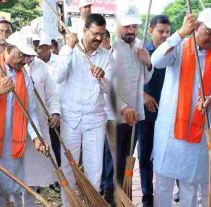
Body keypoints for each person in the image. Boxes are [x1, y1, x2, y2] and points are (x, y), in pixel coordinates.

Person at [151, 8, 211, 207]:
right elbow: (156, 60)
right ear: (196, 27)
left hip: (196, 132)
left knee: (190, 185)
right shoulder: (178, 47)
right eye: (209, 31)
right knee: (163, 183)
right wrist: (180, 34)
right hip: (169, 131)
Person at [55, 13, 114, 207]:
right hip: (70, 118)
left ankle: (91, 204)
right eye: (95, 33)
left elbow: (110, 90)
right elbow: (58, 77)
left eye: (102, 34)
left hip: (95, 120)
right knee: (68, 166)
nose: (99, 38)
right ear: (85, 30)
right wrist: (70, 48)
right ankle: (68, 204)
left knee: (94, 171)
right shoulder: (69, 50)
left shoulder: (107, 57)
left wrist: (102, 77)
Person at [0, 31, 48, 206]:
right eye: (22, 55)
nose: (25, 60)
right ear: (9, 49)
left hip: (13, 145)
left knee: (14, 189)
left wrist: (37, 137)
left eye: (27, 56)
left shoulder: (24, 77)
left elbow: (30, 111)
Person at [113, 3, 153, 186]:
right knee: (113, 162)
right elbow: (106, 85)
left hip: (135, 112)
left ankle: (125, 197)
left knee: (128, 158)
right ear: (118, 24)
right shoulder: (110, 46)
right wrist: (123, 107)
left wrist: (148, 63)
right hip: (115, 114)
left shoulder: (140, 44)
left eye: (134, 26)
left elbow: (144, 79)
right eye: (127, 26)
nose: (131, 30)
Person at [137, 15, 171, 207]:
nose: (165, 35)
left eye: (168, 31)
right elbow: (129, 79)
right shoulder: (141, 51)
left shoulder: (173, 52)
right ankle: (147, 195)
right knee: (145, 155)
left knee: (169, 153)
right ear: (151, 31)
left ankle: (170, 192)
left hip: (169, 113)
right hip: (147, 113)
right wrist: (143, 94)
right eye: (161, 31)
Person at [23, 45, 60, 207]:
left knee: (34, 173)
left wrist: (55, 113)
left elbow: (52, 93)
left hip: (39, 125)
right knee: (17, 174)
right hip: (18, 129)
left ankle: (30, 203)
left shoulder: (40, 66)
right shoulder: (11, 66)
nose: (29, 58)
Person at [99, 29, 115, 205]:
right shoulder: (93, 57)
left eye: (104, 38)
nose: (101, 41)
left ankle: (109, 187)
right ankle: (102, 185)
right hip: (97, 113)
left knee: (110, 151)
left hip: (112, 113)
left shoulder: (113, 57)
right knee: (100, 151)